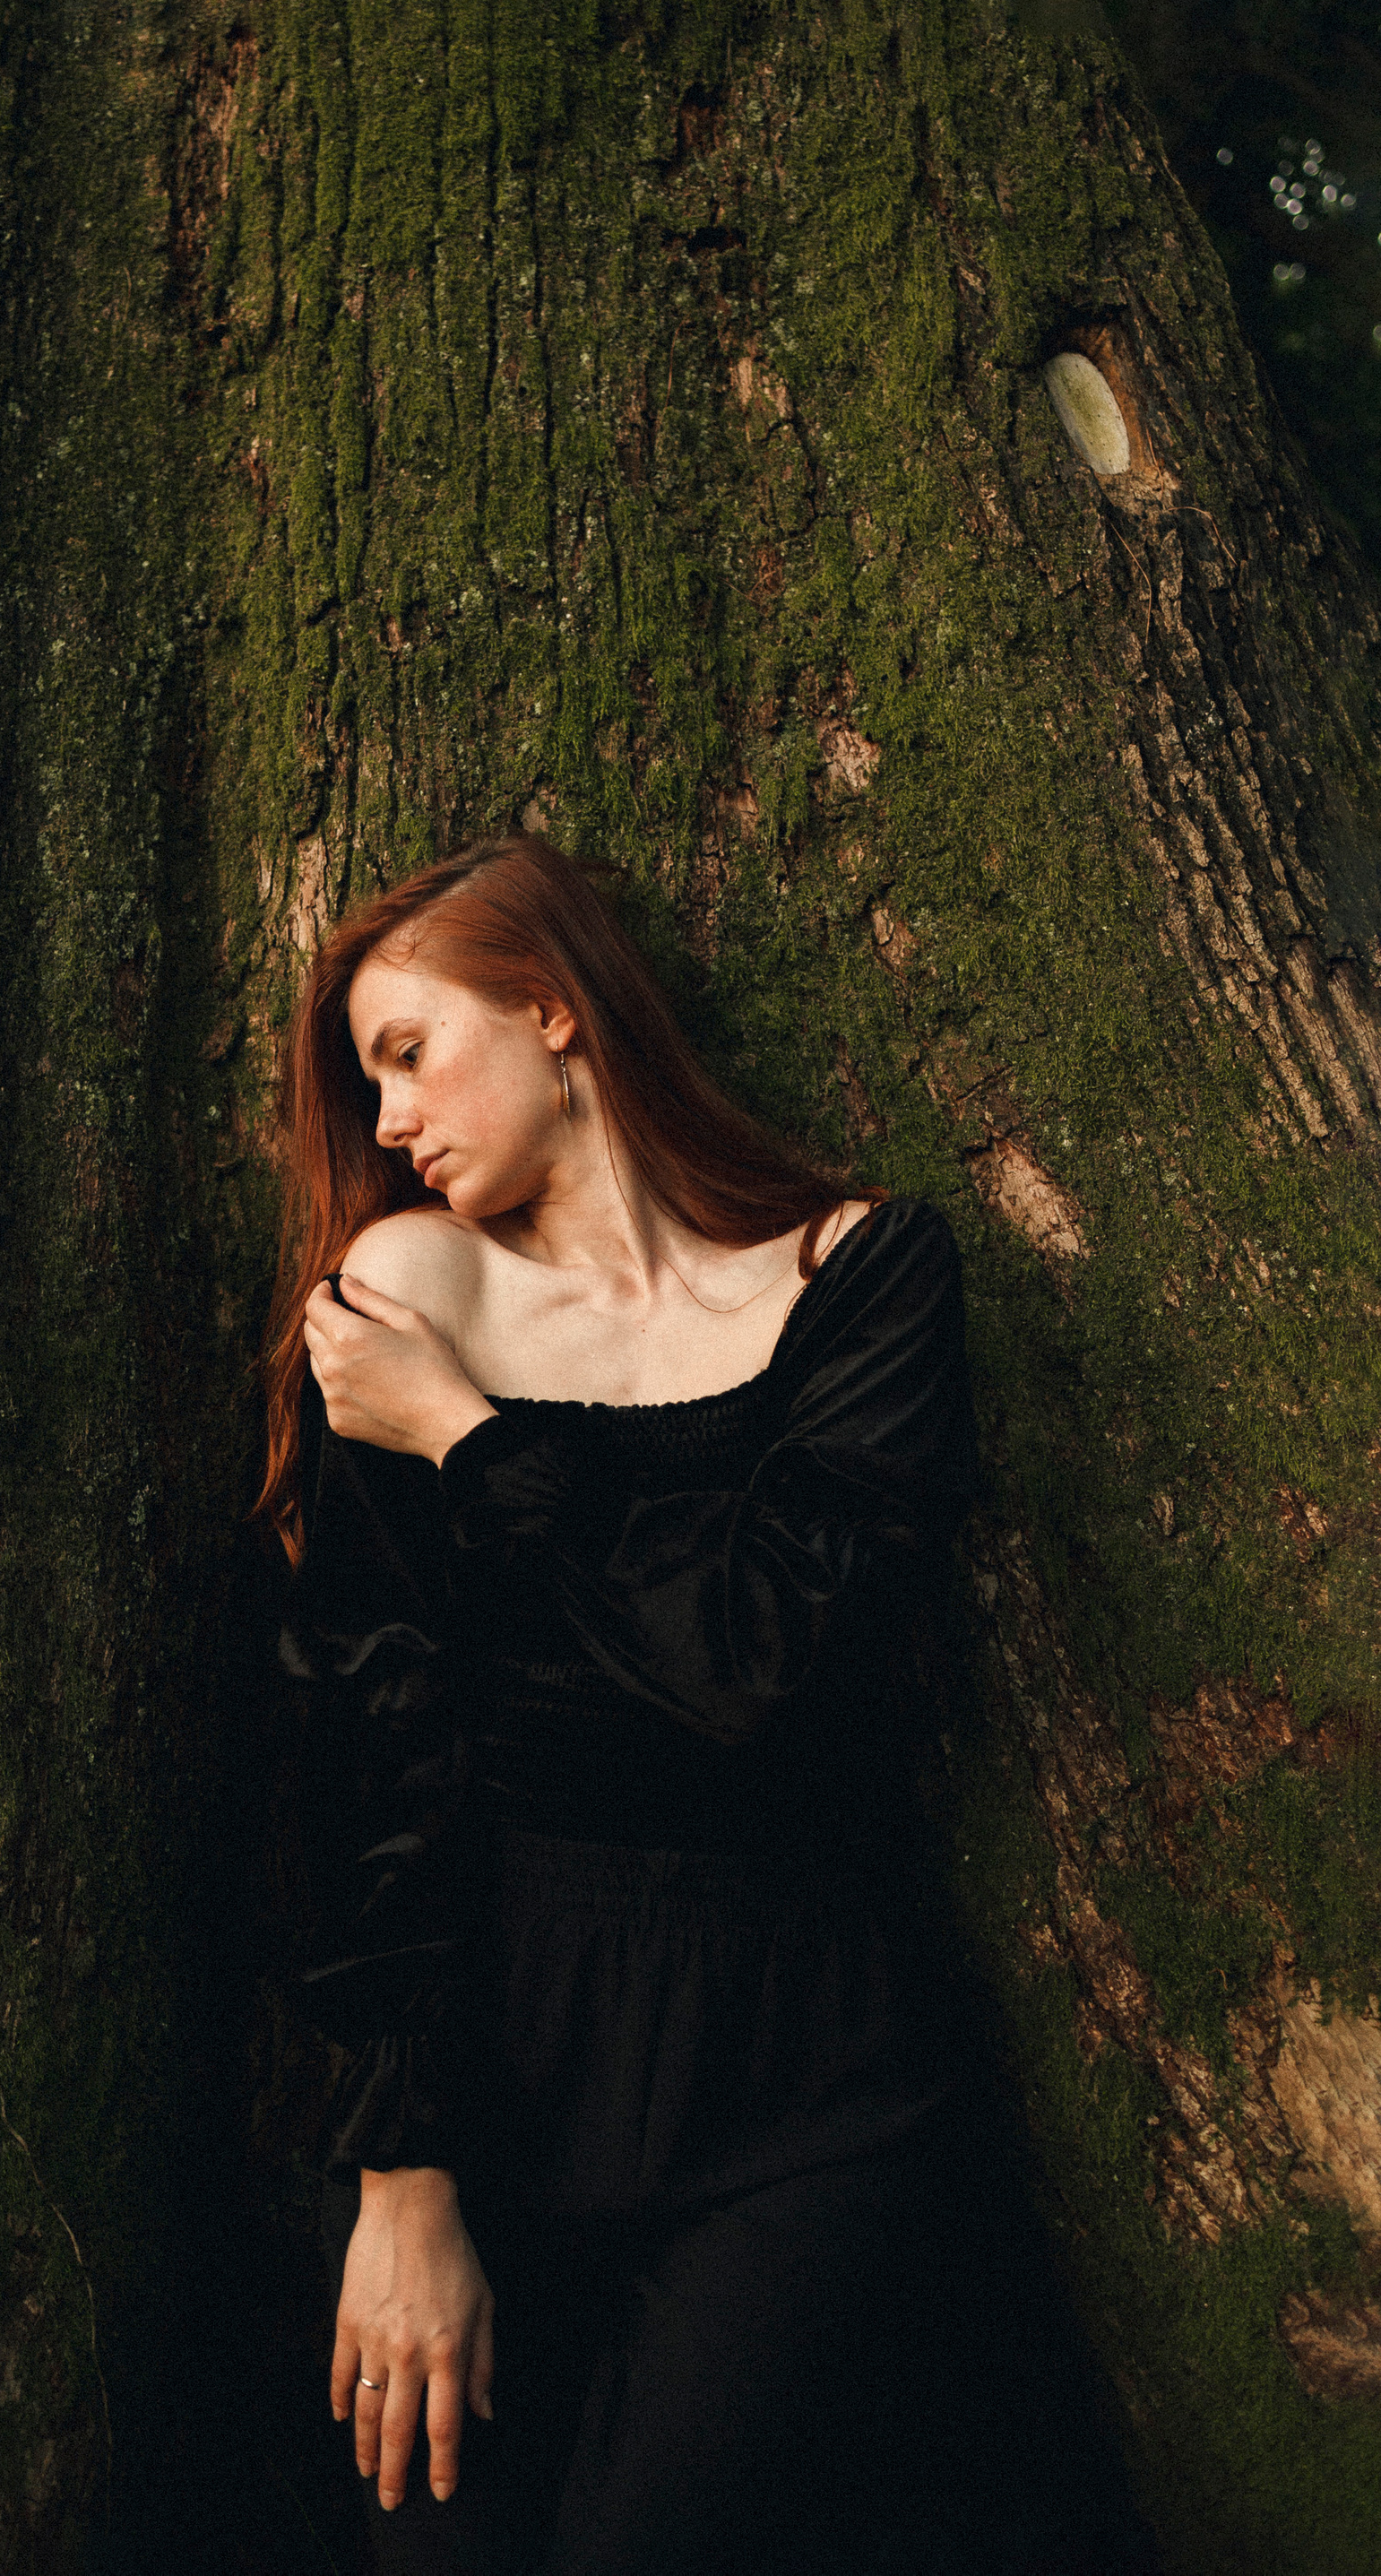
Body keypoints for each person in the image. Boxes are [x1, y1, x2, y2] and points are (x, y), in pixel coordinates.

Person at [259, 833, 1158, 2576]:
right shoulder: (412, 1292)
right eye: (370, 1084)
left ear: (552, 1007)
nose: (389, 1124)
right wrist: (398, 2177)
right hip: (493, 2066)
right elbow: (370, 1743)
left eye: (409, 1053)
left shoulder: (862, 1280)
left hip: (801, 2085)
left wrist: (471, 1441)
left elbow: (764, 1670)